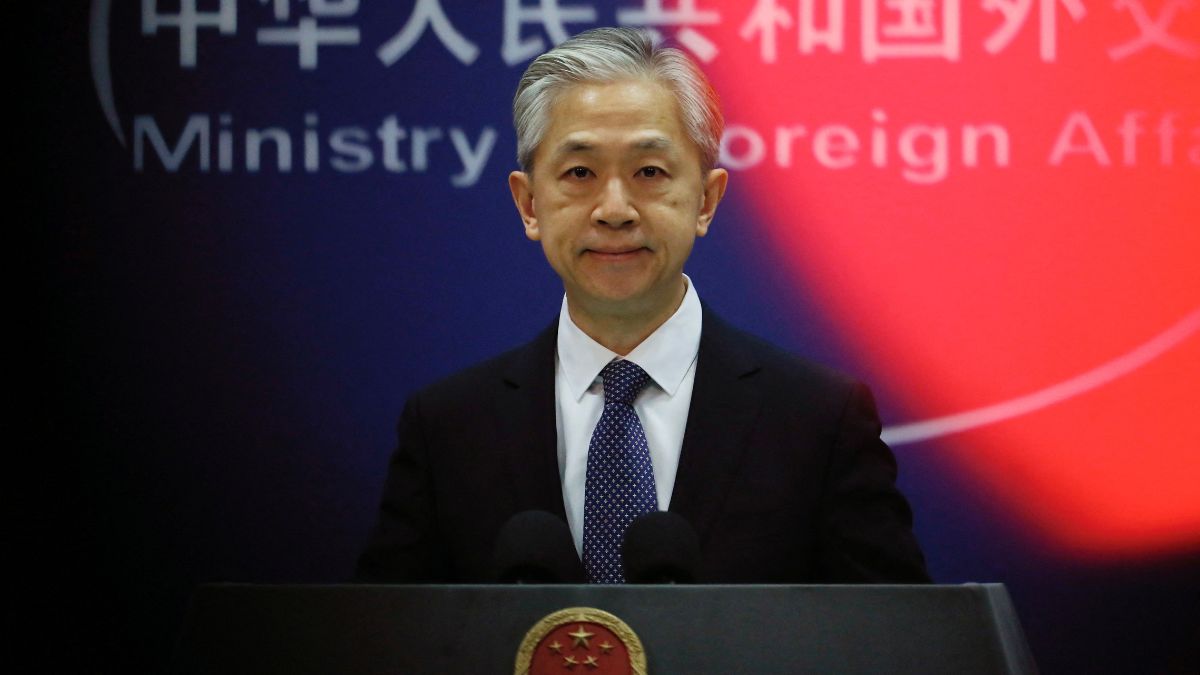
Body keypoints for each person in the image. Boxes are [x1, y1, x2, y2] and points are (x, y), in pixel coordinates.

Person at [356, 27, 929, 584]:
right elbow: (387, 642)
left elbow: (890, 641)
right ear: (529, 204)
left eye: (649, 172)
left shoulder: (819, 421)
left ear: (706, 200)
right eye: (579, 173)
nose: (614, 209)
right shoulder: (449, 428)